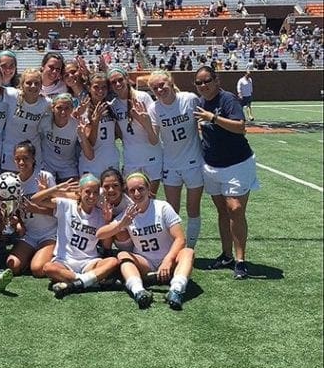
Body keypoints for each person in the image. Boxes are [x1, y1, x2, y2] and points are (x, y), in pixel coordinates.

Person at [193, 67, 259, 279]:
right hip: (212, 165)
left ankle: (241, 260)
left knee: (235, 208)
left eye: (207, 81)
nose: (203, 85)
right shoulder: (200, 103)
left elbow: (241, 127)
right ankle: (226, 255)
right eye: (199, 83)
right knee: (222, 210)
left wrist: (213, 118)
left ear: (216, 80)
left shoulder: (227, 99)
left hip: (237, 163)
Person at [97, 172, 194, 310]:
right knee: (122, 255)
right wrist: (120, 224)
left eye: (141, 188)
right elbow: (100, 234)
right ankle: (139, 291)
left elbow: (180, 239)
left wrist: (168, 260)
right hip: (145, 262)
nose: (137, 193)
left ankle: (176, 290)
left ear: (149, 189)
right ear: (128, 193)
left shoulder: (162, 207)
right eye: (132, 190)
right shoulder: (128, 213)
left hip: (168, 259)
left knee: (188, 252)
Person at [32, 174, 120, 299]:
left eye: (95, 193)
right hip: (64, 260)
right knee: (48, 267)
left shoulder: (101, 214)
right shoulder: (66, 205)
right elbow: (35, 200)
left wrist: (107, 221)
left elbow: (106, 245)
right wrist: (55, 189)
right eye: (87, 192)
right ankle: (88, 282)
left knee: (113, 262)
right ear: (79, 192)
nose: (91, 196)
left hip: (89, 261)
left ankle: (71, 282)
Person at [147, 71, 204, 248]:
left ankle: (190, 248)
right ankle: (174, 248)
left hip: (193, 162)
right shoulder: (154, 109)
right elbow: (154, 138)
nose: (159, 89)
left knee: (193, 209)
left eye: (162, 84)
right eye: (155, 88)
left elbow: (202, 122)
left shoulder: (189, 99)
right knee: (172, 210)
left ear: (171, 82)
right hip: (170, 164)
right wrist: (143, 121)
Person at [6, 141, 57, 277]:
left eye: (25, 158)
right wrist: (17, 223)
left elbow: (60, 211)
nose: (21, 162)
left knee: (37, 269)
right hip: (30, 235)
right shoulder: (12, 182)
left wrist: (37, 209)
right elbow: (15, 212)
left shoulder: (45, 177)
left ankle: (54, 254)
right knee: (12, 266)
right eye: (17, 159)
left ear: (33, 158)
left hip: (50, 233)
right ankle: (34, 255)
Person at [108, 68, 162, 194]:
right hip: (130, 158)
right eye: (113, 82)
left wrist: (143, 121)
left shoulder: (142, 97)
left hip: (151, 156)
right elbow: (119, 134)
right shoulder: (113, 105)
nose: (117, 84)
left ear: (127, 78)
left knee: (150, 198)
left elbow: (154, 137)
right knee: (131, 199)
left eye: (120, 80)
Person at [0, 69, 50, 171]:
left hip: (32, 152)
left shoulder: (46, 103)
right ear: (22, 84)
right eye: (29, 83)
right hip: (10, 150)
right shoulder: (12, 95)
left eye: (37, 83)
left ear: (41, 86)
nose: (33, 86)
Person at [40, 93, 92, 182]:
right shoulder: (45, 121)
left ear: (72, 109)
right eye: (59, 108)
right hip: (47, 165)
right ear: (52, 108)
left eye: (67, 108)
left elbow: (90, 155)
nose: (63, 112)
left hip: (67, 167)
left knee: (75, 193)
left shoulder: (77, 125)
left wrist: (82, 136)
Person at [79, 73, 120, 178]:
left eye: (103, 87)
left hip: (111, 161)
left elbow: (117, 134)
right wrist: (95, 121)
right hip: (92, 165)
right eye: (96, 87)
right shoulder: (85, 110)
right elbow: (91, 143)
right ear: (89, 88)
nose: (100, 91)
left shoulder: (112, 107)